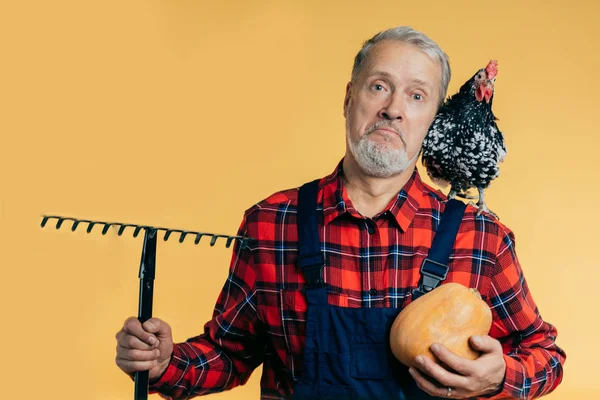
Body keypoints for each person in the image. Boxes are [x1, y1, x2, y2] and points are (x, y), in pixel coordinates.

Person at [115, 26, 566, 400]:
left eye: (416, 97)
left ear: (432, 120)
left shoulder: (479, 236)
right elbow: (228, 353)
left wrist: (499, 376)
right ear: (350, 98)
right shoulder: (272, 222)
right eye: (379, 86)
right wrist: (162, 362)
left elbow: (545, 353)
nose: (392, 109)